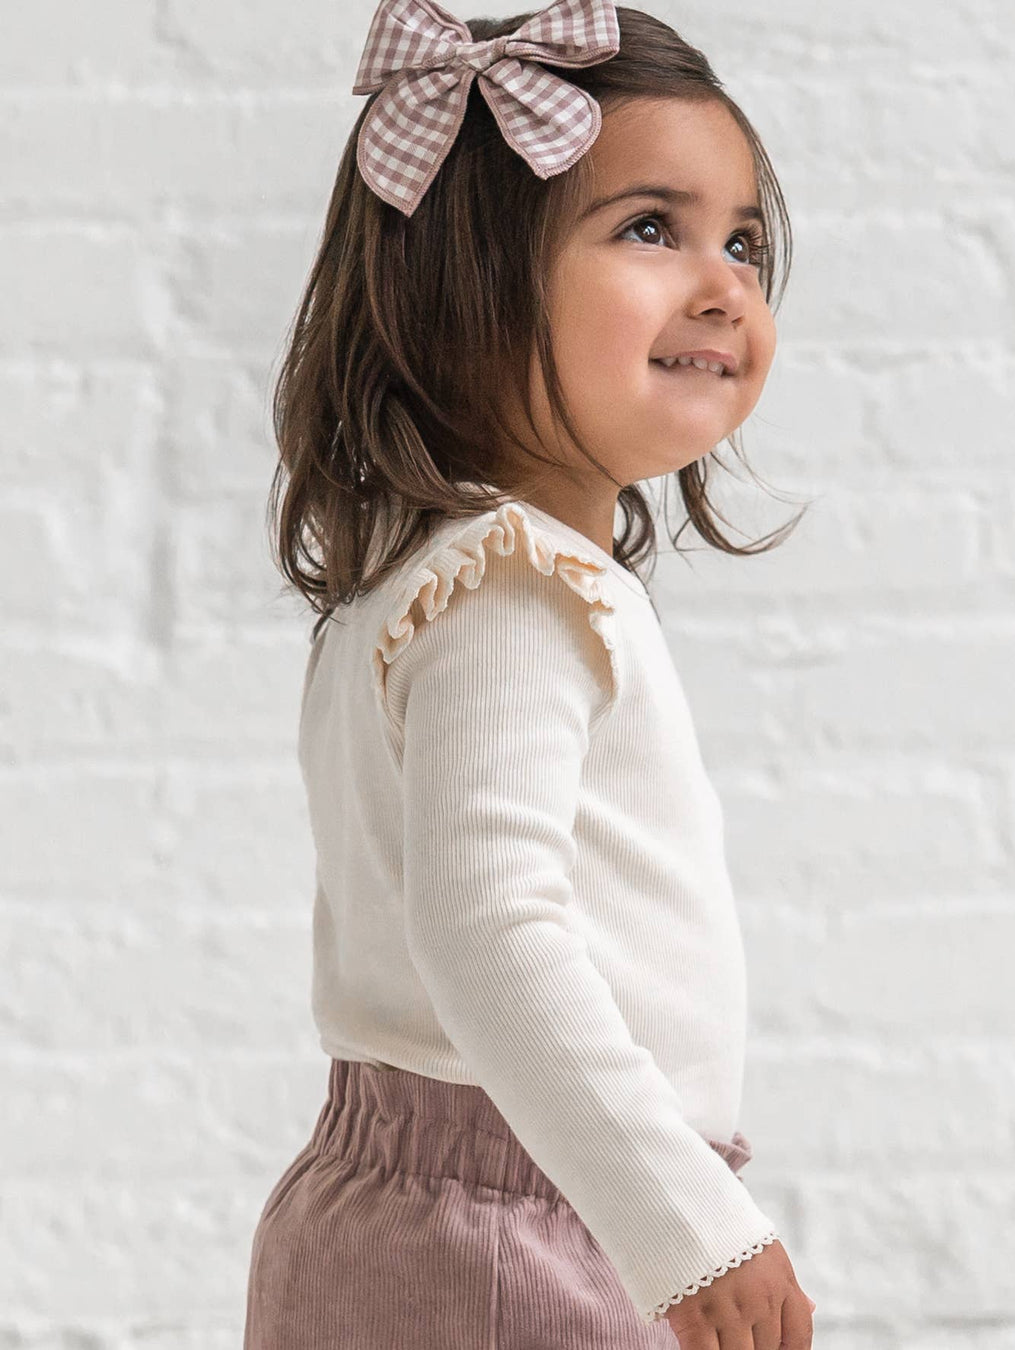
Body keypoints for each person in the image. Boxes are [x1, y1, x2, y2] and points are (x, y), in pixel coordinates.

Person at [243, 0, 819, 1345]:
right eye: (651, 229)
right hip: (521, 1220)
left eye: (743, 241)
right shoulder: (510, 589)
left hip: (427, 1197)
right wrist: (691, 1225)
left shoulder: (415, 582)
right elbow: (490, 929)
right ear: (473, 283)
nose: (725, 284)